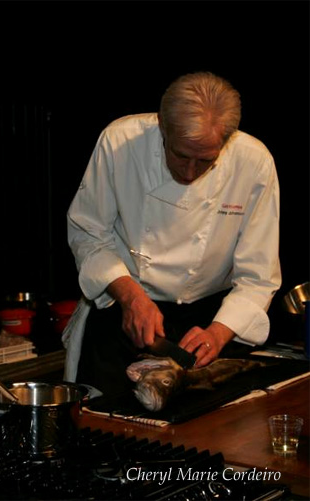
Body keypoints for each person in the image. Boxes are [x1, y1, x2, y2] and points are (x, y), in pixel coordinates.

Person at [63, 72, 281, 397]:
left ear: (226, 142)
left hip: (206, 323)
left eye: (206, 160)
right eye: (180, 155)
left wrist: (219, 333)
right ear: (162, 128)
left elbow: (259, 276)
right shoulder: (120, 142)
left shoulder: (254, 163)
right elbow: (88, 233)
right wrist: (132, 297)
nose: (190, 172)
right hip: (123, 312)